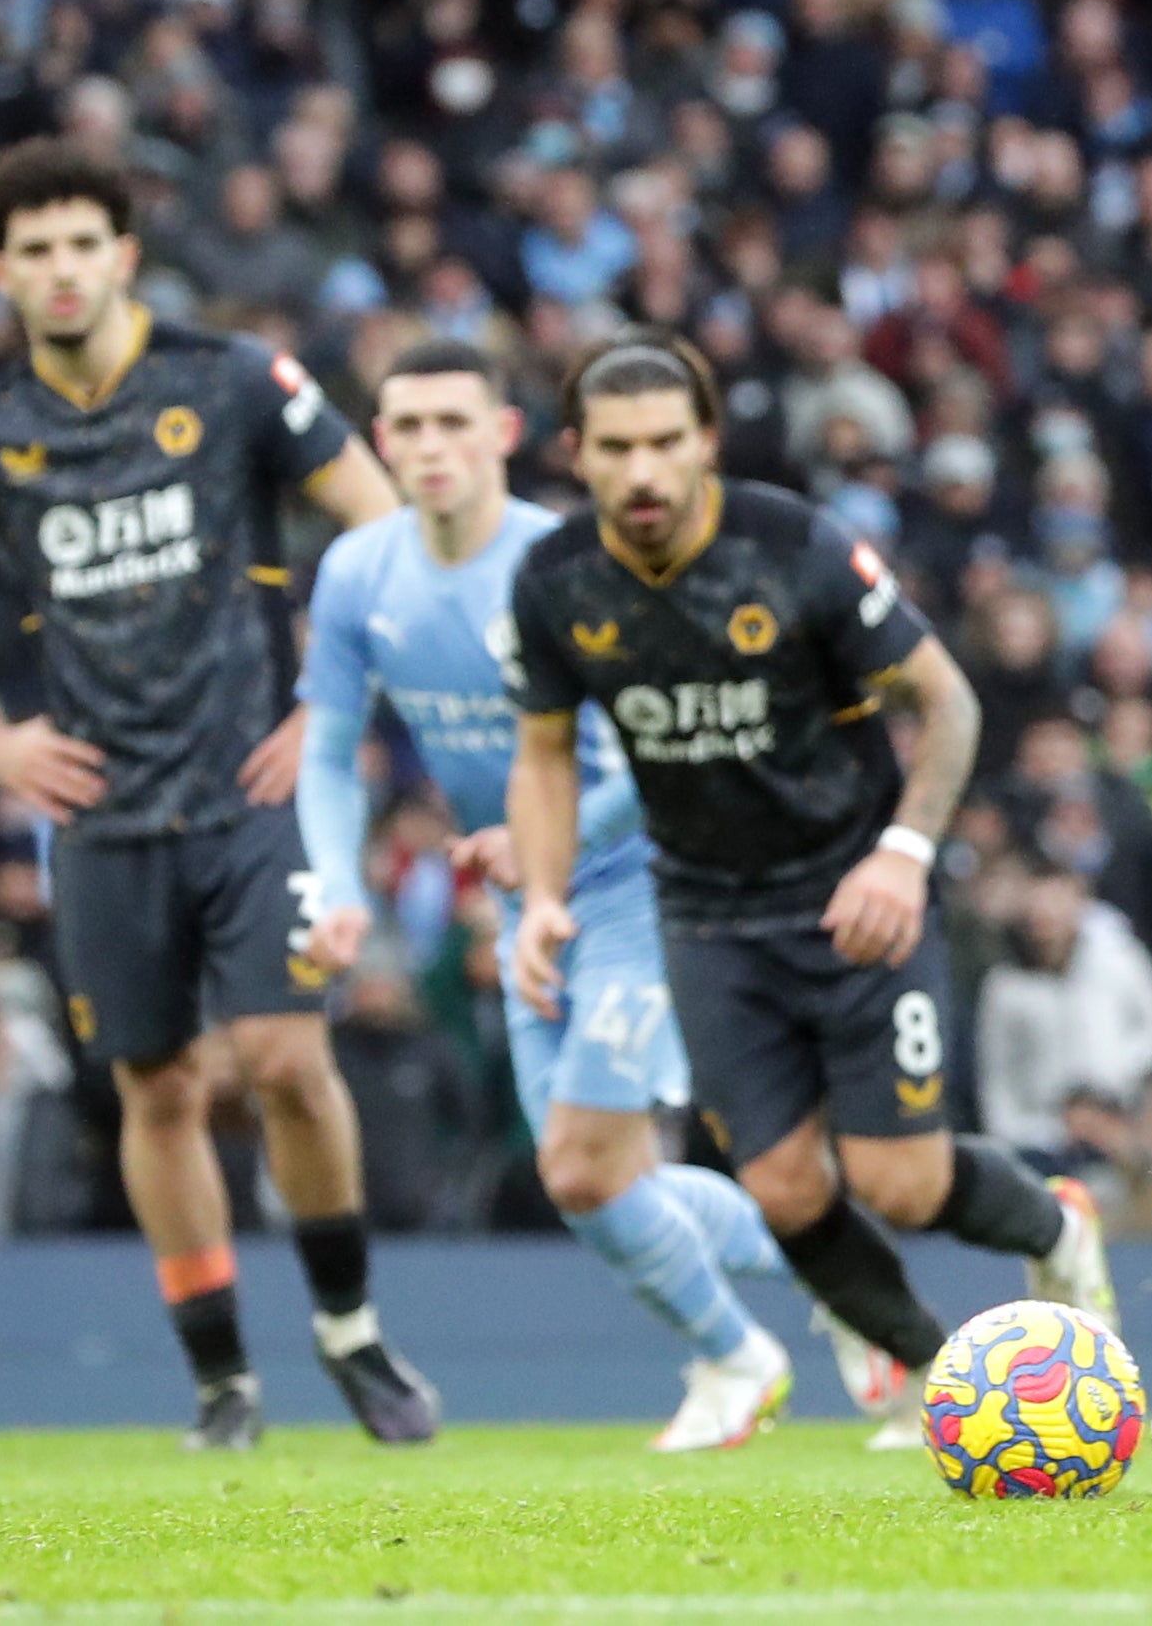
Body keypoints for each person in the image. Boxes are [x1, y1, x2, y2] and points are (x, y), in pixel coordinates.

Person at [0, 137, 431, 1451]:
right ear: (1, 270)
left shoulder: (231, 379)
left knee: (291, 1060)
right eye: (36, 250)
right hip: (100, 811)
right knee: (160, 1090)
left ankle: (352, 1332)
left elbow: (381, 524)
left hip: (252, 787)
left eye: (85, 243)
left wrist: (327, 706)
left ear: (123, 254)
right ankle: (220, 1378)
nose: (63, 269)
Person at [504, 336, 1116, 1447]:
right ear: (575, 454)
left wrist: (904, 852)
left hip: (855, 895)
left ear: (703, 442)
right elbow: (544, 752)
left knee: (900, 1180)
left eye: (662, 444)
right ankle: (945, 1381)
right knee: (781, 1186)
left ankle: (1055, 1221)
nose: (641, 473)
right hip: (704, 914)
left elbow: (950, 700)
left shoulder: (795, 547)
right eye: (615, 449)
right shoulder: (555, 581)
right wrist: (544, 893)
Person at [296, 339, 824, 1451]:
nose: (430, 447)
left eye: (454, 422)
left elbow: (659, 749)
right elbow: (331, 749)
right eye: (407, 427)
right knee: (592, 1179)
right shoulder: (358, 574)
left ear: (502, 434)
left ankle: (739, 1355)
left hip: (645, 886)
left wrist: (542, 844)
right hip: (529, 899)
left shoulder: (566, 563)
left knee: (589, 1163)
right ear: (379, 442)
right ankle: (846, 1284)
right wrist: (338, 886)